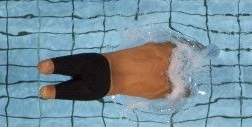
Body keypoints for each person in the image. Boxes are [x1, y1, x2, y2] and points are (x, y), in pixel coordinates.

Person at [37, 42, 176, 101]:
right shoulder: (168, 88)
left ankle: (45, 68)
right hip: (101, 88)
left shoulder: (167, 50)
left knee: (46, 66)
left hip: (98, 63)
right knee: (46, 93)